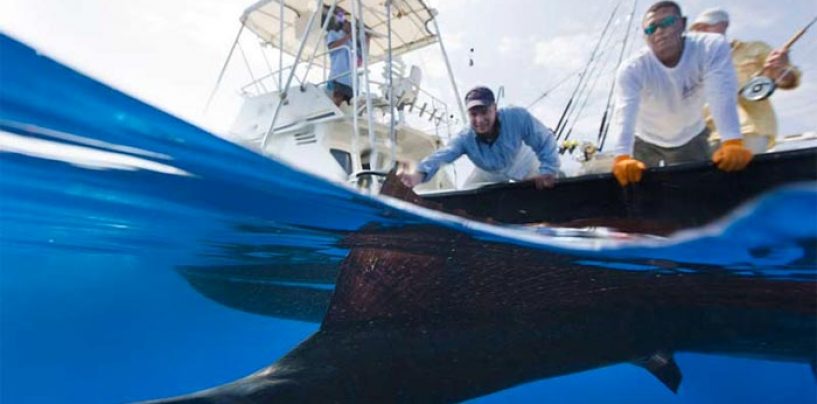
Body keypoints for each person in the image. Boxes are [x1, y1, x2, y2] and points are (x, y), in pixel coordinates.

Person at [610, 1, 753, 187]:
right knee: (632, 194)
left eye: (667, 22)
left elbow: (721, 92)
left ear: (683, 24)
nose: (659, 31)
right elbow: (624, 112)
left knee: (698, 191)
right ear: (645, 36)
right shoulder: (631, 69)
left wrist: (731, 140)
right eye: (651, 28)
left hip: (691, 136)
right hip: (643, 139)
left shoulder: (711, 46)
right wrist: (622, 156)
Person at [399, 86, 560, 190]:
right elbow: (443, 155)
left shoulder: (517, 116)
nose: (479, 120)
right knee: (465, 198)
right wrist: (419, 173)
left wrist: (548, 169)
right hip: (489, 172)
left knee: (550, 185)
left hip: (524, 162)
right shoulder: (464, 138)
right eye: (473, 114)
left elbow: (545, 140)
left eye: (484, 112)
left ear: (495, 109)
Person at [690, 8, 802, 153]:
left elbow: (789, 80)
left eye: (706, 26)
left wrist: (780, 70)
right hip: (705, 136)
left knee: (747, 175)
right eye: (697, 29)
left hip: (748, 130)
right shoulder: (692, 62)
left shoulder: (754, 48)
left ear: (724, 25)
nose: (701, 32)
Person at [326, 10, 355, 106]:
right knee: (337, 101)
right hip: (338, 76)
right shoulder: (333, 34)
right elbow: (331, 47)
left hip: (349, 80)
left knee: (347, 105)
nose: (351, 27)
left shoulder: (351, 42)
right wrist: (348, 37)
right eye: (349, 24)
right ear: (345, 23)